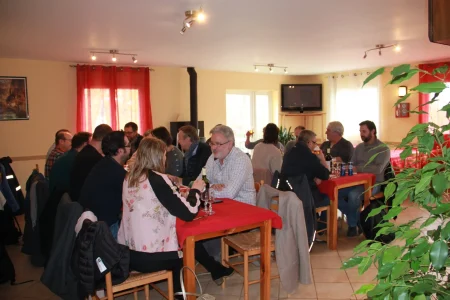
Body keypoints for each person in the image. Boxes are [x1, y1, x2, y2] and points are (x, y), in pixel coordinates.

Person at [117, 138, 233, 296]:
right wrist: (196, 190)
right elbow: (189, 213)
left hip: (128, 252)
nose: (166, 159)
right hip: (150, 257)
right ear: (158, 156)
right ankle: (182, 294)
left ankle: (216, 269)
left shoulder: (130, 177)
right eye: (164, 155)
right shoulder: (156, 179)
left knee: (183, 237)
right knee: (185, 245)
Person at [338, 120, 391, 237]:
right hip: (355, 181)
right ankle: (358, 221)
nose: (361, 134)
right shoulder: (359, 148)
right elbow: (352, 164)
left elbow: (378, 169)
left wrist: (358, 168)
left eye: (364, 131)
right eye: (360, 131)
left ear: (373, 131)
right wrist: (347, 166)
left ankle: (352, 225)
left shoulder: (383, 149)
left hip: (374, 182)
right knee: (334, 194)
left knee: (353, 195)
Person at [79, 131, 129, 239]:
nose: (130, 149)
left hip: (92, 225)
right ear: (120, 150)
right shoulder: (117, 173)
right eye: (128, 146)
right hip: (105, 230)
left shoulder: (104, 164)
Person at [201, 125, 256, 205]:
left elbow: (230, 193)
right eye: (212, 143)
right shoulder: (212, 157)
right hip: (221, 207)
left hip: (243, 209)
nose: (213, 148)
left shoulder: (240, 159)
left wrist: (206, 189)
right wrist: (212, 186)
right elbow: (200, 180)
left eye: (218, 144)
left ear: (230, 144)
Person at [281, 130, 331, 211]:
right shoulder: (310, 156)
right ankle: (320, 223)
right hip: (305, 197)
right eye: (314, 142)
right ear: (309, 142)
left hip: (288, 194)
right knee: (328, 198)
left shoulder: (288, 153)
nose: (315, 145)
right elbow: (326, 175)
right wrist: (322, 159)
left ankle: (313, 219)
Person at [70, 124, 112, 202]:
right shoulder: (94, 158)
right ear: (105, 139)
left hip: (78, 200)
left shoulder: (86, 151)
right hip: (85, 205)